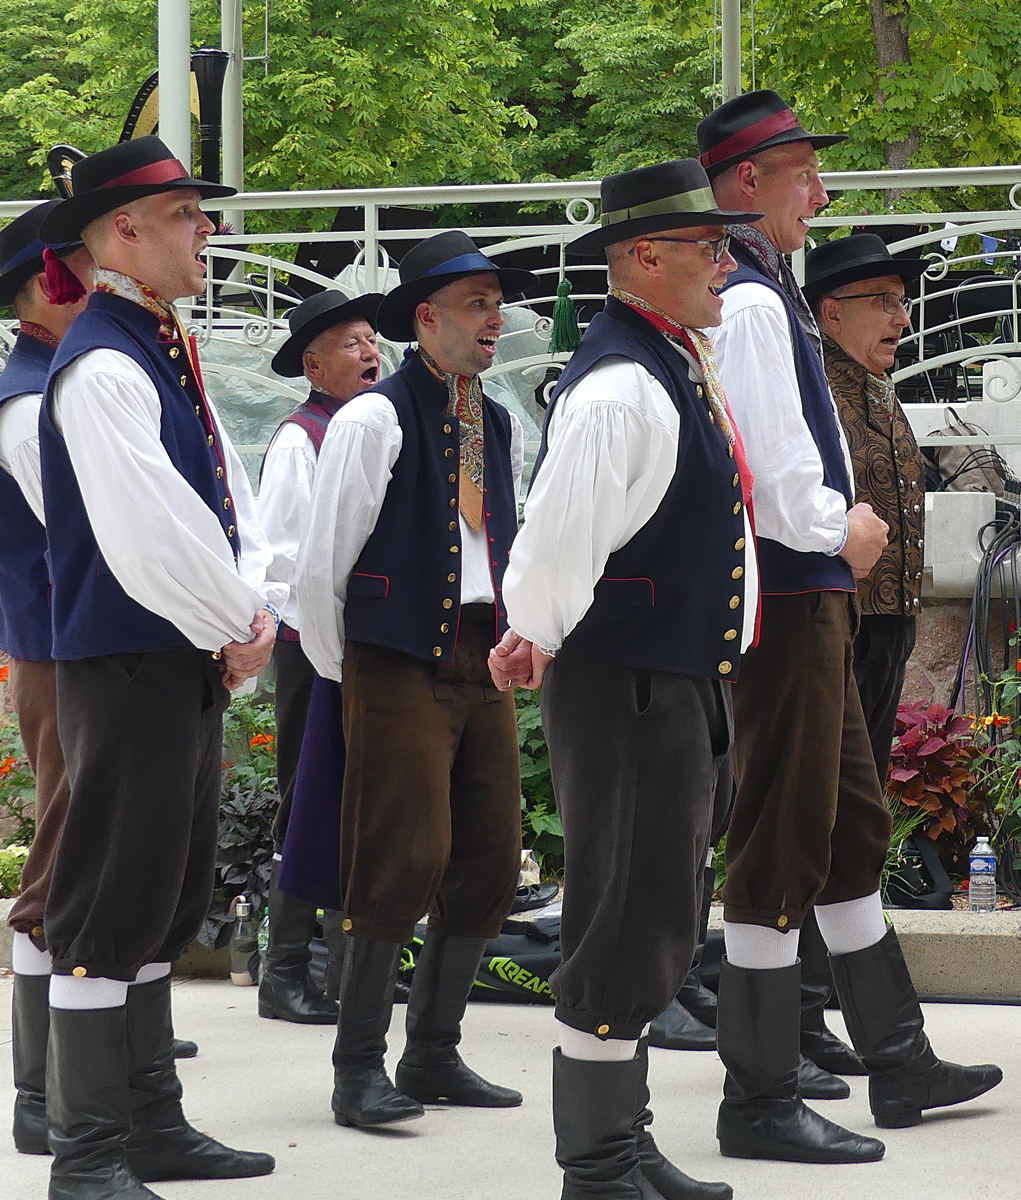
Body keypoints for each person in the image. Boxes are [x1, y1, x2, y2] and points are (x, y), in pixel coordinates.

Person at [697, 89, 1001, 1165]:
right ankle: (759, 1093)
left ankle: (896, 1053)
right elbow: (769, 468)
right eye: (800, 175)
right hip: (789, 593)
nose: (818, 194)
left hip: (811, 590)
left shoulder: (761, 289)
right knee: (778, 841)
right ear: (746, 183)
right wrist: (844, 528)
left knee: (847, 830)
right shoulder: (741, 301)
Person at [491, 157, 760, 1200]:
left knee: (658, 907)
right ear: (645, 256)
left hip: (669, 674)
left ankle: (625, 1140)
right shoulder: (619, 387)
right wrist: (534, 627)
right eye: (707, 247)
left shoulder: (669, 361)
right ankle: (595, 1166)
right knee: (623, 916)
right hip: (630, 683)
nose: (725, 266)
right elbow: (559, 542)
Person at [36, 136, 285, 1199]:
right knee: (106, 906)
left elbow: (225, 498)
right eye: (187, 215)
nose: (208, 231)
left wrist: (247, 612)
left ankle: (149, 1127)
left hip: (169, 656)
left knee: (162, 897)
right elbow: (153, 533)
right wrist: (239, 619)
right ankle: (88, 1153)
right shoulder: (102, 361)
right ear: (124, 232)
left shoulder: (157, 344)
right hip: (129, 658)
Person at [297, 230, 534, 1131]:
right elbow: (324, 567)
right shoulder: (373, 417)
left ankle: (433, 1052)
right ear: (425, 319)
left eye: (495, 303)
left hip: (482, 653)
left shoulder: (496, 418)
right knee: (397, 858)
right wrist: (348, 673)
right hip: (393, 658)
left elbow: (497, 543)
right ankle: (357, 1070)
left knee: (485, 857)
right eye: (476, 305)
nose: (495, 320)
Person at [256, 288, 383, 1024]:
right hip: (313, 649)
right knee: (310, 798)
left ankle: (346, 968)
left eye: (371, 339)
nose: (369, 352)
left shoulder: (371, 429)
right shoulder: (300, 439)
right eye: (348, 343)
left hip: (363, 649)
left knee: (360, 802)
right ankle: (284, 973)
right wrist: (322, 640)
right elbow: (279, 558)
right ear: (312, 364)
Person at [1, 200, 94, 1156]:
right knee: (61, 861)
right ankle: (37, 1091)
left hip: (76, 650)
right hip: (64, 654)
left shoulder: (55, 380)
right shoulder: (28, 398)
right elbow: (79, 535)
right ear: (43, 286)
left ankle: (77, 1055)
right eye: (81, 270)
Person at [805, 233, 926, 785]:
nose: (902, 319)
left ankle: (861, 876)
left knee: (866, 788)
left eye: (901, 302)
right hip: (841, 624)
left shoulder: (877, 384)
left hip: (890, 622)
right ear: (832, 311)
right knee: (831, 787)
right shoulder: (814, 390)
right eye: (885, 301)